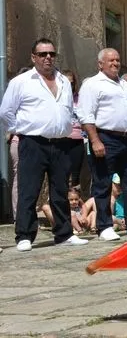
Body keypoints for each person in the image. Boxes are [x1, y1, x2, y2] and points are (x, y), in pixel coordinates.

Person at [0, 38, 88, 251]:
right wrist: (21, 129)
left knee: (60, 190)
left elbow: (68, 109)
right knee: (29, 189)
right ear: (33, 57)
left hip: (61, 143)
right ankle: (24, 235)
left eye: (51, 54)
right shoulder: (21, 82)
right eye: (42, 54)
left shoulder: (63, 80)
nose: (48, 57)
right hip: (33, 142)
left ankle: (64, 233)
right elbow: (6, 112)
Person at [77, 48, 127, 241]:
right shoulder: (92, 84)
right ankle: (104, 226)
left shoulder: (124, 84)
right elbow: (85, 115)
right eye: (111, 60)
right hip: (105, 138)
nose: (115, 63)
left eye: (117, 60)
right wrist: (95, 140)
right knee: (103, 184)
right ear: (100, 64)